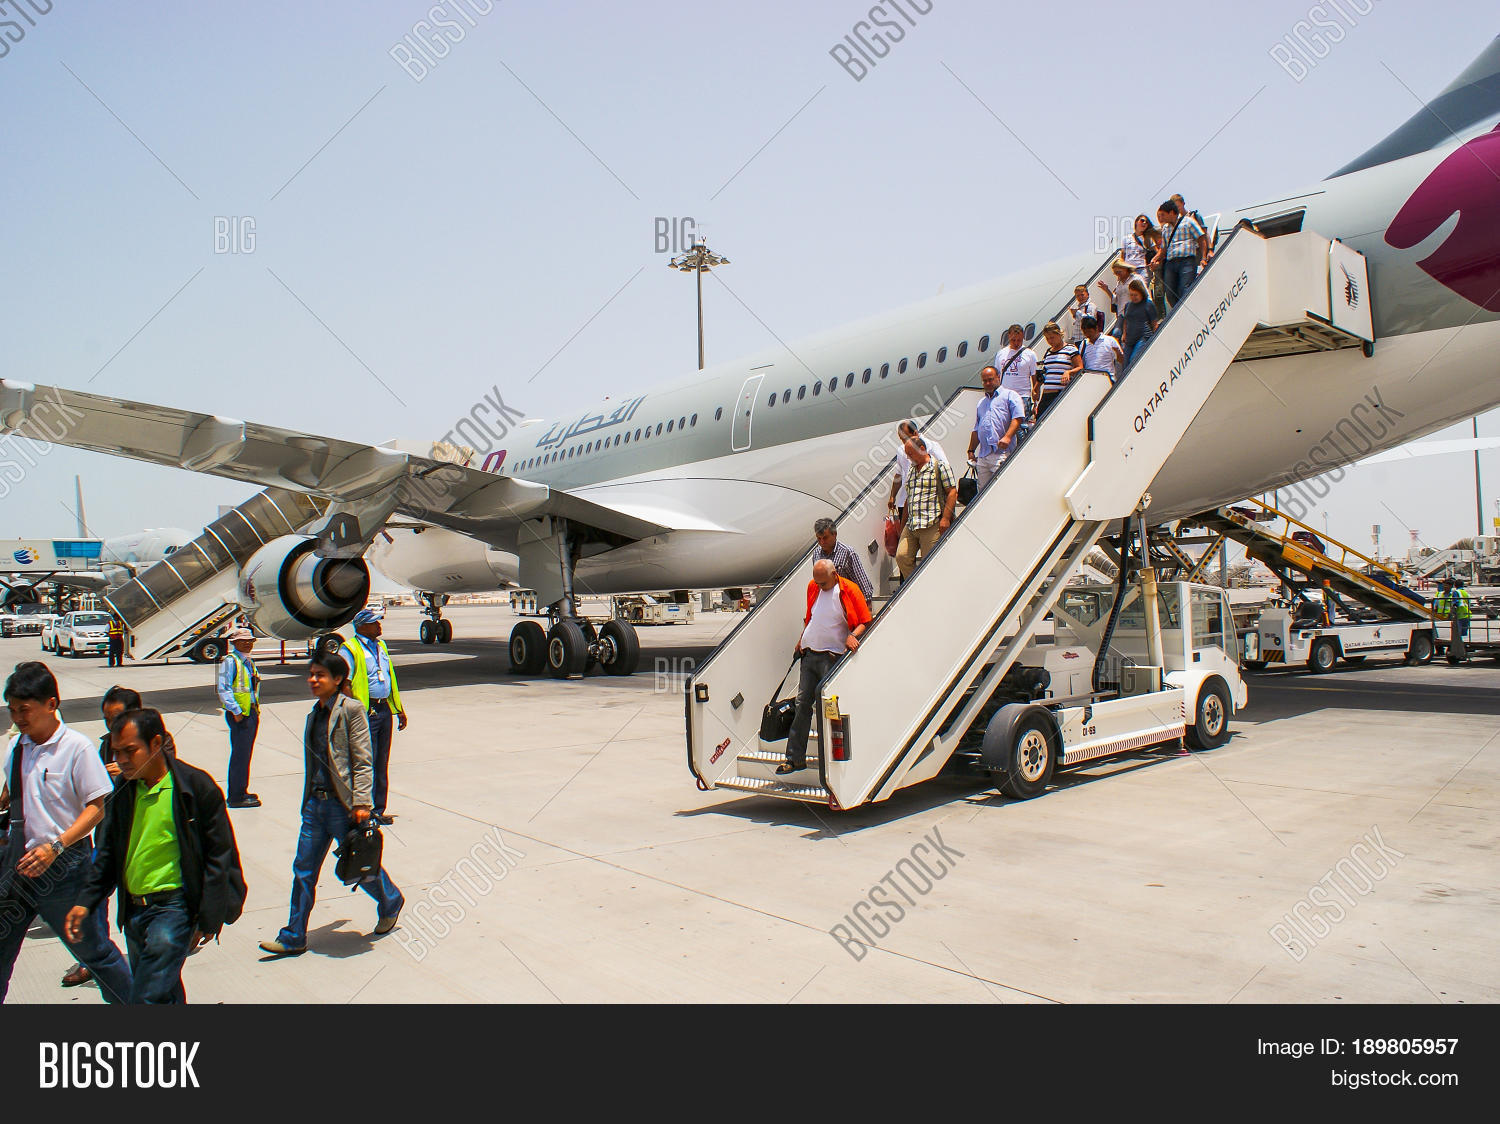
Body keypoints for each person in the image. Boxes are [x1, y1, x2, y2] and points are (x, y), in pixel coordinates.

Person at [65, 708, 246, 1004]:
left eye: (129, 751)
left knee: (145, 999)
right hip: (134, 912)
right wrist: (86, 902)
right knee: (165, 996)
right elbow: (108, 852)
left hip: (174, 911)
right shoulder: (124, 789)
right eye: (116, 752)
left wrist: (207, 919)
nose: (121, 760)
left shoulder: (194, 787)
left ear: (156, 742)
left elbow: (219, 856)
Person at [0, 662, 132, 1004]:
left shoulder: (76, 748)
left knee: (95, 954)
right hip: (19, 868)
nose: (18, 718)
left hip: (65, 869)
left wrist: (56, 847)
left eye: (25, 710)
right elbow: (12, 797)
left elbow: (95, 807)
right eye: (13, 710)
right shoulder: (18, 748)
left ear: (51, 704)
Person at [258, 652, 403, 956]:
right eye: (311, 674)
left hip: (342, 806)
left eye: (320, 675)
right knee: (303, 871)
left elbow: (363, 760)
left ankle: (390, 900)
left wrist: (362, 802)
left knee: (358, 867)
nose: (312, 680)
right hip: (315, 805)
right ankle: (294, 935)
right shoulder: (315, 713)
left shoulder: (352, 710)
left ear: (337, 679)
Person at [60, 683, 144, 989]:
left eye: (118, 718)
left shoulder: (156, 743)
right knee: (92, 899)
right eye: (107, 719)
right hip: (109, 836)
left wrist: (123, 772)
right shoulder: (105, 744)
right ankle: (93, 960)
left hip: (140, 842)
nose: (112, 726)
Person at [776, 559, 870, 776]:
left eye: (823, 583)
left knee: (830, 709)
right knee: (802, 706)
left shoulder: (849, 590)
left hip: (831, 656)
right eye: (817, 583)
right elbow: (811, 617)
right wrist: (802, 639)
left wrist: (853, 636)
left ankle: (831, 761)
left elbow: (866, 619)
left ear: (834, 574)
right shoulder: (813, 587)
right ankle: (794, 758)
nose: (819, 587)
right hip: (809, 654)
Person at [338, 607, 408, 825]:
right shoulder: (349, 649)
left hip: (383, 709)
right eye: (375, 622)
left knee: (380, 762)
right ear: (361, 626)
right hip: (365, 713)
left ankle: (377, 809)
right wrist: (355, 711)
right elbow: (345, 683)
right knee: (363, 763)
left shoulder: (381, 646)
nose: (380, 626)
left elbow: (389, 679)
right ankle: (361, 810)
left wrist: (398, 709)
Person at [896, 437, 958, 579]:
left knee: (929, 563)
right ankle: (915, 584)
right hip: (912, 525)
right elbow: (909, 498)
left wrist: (946, 519)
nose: (908, 457)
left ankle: (929, 586)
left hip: (932, 523)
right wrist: (902, 525)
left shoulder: (940, 466)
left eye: (910, 453)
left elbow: (952, 492)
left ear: (922, 449)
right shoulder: (911, 470)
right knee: (901, 556)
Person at [217, 627, 261, 809]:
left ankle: (242, 789)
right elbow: (223, 688)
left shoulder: (247, 661)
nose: (248, 643)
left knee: (245, 755)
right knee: (240, 755)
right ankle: (236, 796)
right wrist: (235, 711)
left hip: (250, 712)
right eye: (244, 641)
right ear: (234, 643)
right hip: (240, 715)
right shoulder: (230, 661)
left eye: (250, 640)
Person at [967, 366, 1026, 489]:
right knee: (982, 492)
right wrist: (971, 450)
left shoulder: (1010, 395)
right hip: (983, 455)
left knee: (1001, 488)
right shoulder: (981, 403)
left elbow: (1018, 417)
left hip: (1002, 453)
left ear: (998, 377)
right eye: (985, 381)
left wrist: (1007, 437)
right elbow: (977, 429)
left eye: (991, 379)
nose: (988, 383)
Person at [889, 419, 950, 525]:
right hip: (906, 502)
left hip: (928, 501)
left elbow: (945, 469)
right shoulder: (901, 450)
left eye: (906, 438)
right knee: (905, 536)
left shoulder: (932, 446)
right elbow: (898, 474)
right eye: (902, 439)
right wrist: (892, 496)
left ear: (915, 433)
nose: (904, 442)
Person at [1153, 198, 1208, 309]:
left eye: (1164, 215)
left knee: (1185, 288)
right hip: (1171, 263)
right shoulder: (1166, 229)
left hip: (1186, 261)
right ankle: (1179, 311)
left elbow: (1201, 239)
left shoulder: (1189, 222)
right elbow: (1163, 248)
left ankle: (1185, 312)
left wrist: (1204, 257)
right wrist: (1155, 259)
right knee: (1170, 293)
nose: (1161, 218)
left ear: (1172, 213)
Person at [812, 517, 873, 602]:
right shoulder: (816, 554)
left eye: (825, 538)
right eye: (819, 538)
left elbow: (863, 584)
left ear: (834, 534)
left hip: (848, 604)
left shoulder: (848, 553)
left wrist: (867, 608)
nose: (822, 542)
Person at [1035, 321, 1083, 419]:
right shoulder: (1048, 352)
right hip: (1046, 393)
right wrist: (1036, 387)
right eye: (1047, 338)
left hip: (1059, 392)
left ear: (1059, 334)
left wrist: (1069, 372)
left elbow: (1080, 367)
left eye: (1052, 337)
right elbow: (1046, 372)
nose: (1050, 341)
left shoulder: (1070, 349)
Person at [993, 324, 1038, 420]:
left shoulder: (1030, 354)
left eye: (1019, 340)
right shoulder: (1001, 354)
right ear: (1009, 336)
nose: (1016, 343)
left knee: (1021, 427)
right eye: (1013, 340)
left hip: (1022, 396)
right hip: (1004, 396)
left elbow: (1035, 378)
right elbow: (996, 376)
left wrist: (1036, 401)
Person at [1096, 259, 1148, 337]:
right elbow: (1116, 299)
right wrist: (1107, 290)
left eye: (1119, 272)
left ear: (1125, 269)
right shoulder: (1119, 283)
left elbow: (1145, 294)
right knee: (1116, 334)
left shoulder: (1136, 278)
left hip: (1135, 311)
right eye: (1115, 273)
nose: (1118, 275)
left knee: (1132, 334)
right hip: (1121, 313)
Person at [1119, 278, 1161, 368]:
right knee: (1125, 364)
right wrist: (1124, 334)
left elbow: (1154, 323)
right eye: (1131, 295)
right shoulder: (1128, 305)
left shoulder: (1148, 304)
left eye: (1135, 295)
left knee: (1133, 360)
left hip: (1143, 337)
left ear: (1141, 293)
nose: (1133, 297)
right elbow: (1126, 320)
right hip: (1130, 339)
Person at [1079, 316, 1126, 382]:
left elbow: (1121, 361)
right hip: (1089, 380)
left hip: (1107, 379)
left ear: (1096, 328)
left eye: (1090, 332)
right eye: (1085, 333)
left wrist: (1117, 352)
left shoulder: (1110, 340)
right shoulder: (1083, 344)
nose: (1088, 335)